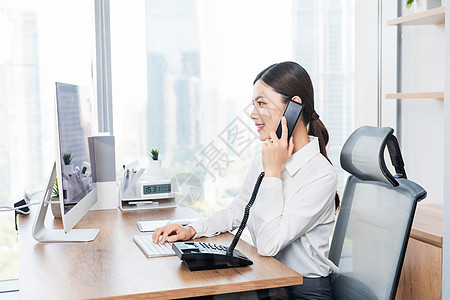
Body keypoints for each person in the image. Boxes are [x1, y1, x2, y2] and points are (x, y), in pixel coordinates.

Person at [152, 61, 339, 300]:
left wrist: (273, 173)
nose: (252, 115)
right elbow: (239, 210)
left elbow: (268, 245)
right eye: (253, 104)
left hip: (303, 290)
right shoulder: (266, 156)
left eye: (261, 104)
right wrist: (192, 230)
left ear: (294, 107)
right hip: (270, 280)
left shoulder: (320, 175)